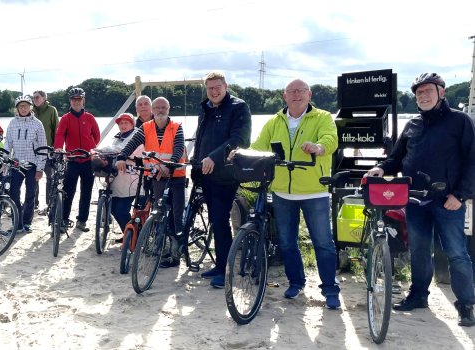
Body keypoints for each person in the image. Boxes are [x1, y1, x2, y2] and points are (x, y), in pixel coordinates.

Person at [366, 73, 475, 326]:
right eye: (419, 93)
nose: (423, 96)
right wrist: (382, 169)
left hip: (448, 200)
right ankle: (418, 296)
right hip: (414, 200)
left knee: (457, 253)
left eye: (428, 91)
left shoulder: (460, 122)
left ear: (441, 93)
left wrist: (460, 195)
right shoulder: (412, 124)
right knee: (419, 250)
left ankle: (466, 305)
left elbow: (472, 161)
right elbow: (396, 158)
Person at [248, 78, 340, 309]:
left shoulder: (323, 117)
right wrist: (241, 154)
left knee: (323, 243)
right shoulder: (274, 121)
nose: (296, 95)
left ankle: (330, 289)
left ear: (309, 95)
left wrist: (319, 148)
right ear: (284, 96)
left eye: (301, 91)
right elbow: (259, 145)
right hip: (282, 192)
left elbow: (330, 140)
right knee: (287, 243)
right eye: (292, 91)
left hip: (314, 191)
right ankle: (296, 282)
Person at [193, 71, 252, 288]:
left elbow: (240, 139)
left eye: (218, 87)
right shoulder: (205, 108)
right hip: (206, 172)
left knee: (219, 220)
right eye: (210, 88)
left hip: (226, 174)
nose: (214, 91)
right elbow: (200, 137)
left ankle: (225, 270)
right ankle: (219, 266)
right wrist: (196, 162)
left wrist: (214, 157)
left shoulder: (238, 107)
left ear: (226, 86)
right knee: (215, 222)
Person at [116, 97, 186, 267]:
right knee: (159, 210)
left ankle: (176, 253)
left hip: (176, 175)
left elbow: (178, 149)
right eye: (157, 108)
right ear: (153, 110)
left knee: (177, 214)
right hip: (157, 176)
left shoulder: (177, 127)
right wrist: (121, 157)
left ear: (168, 109)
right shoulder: (145, 127)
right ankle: (161, 244)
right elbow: (131, 143)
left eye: (164, 107)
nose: (160, 110)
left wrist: (168, 167)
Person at [53, 87, 100, 231]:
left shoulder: (90, 117)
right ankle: (64, 219)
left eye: (79, 99)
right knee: (68, 191)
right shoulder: (66, 118)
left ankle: (82, 220)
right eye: (74, 100)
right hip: (72, 159)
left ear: (83, 101)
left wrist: (92, 149)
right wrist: (59, 148)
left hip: (87, 160)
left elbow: (97, 135)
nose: (76, 102)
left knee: (86, 192)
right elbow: (60, 135)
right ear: (70, 101)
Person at [94, 113, 143, 237]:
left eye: (126, 123)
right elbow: (113, 149)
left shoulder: (136, 135)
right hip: (118, 180)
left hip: (132, 180)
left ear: (132, 124)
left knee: (121, 210)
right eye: (121, 123)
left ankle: (132, 236)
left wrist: (102, 150)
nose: (123, 125)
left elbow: (121, 149)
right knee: (115, 209)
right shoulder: (118, 137)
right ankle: (129, 234)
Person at [5, 95, 46, 232]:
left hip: (32, 164)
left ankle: (27, 222)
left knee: (30, 195)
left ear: (30, 107)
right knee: (13, 193)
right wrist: (5, 160)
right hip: (16, 163)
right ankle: (17, 223)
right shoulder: (12, 123)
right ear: (17, 108)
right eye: (20, 106)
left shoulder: (37, 124)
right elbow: (8, 144)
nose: (23, 108)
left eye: (26, 106)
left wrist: (40, 169)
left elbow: (42, 147)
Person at [32, 90, 59, 210]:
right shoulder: (30, 110)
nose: (35, 99)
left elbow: (57, 130)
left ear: (44, 98)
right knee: (34, 177)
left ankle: (49, 204)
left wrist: (55, 148)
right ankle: (34, 203)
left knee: (50, 177)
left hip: (48, 150)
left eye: (37, 97)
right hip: (33, 151)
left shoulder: (51, 110)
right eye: (33, 98)